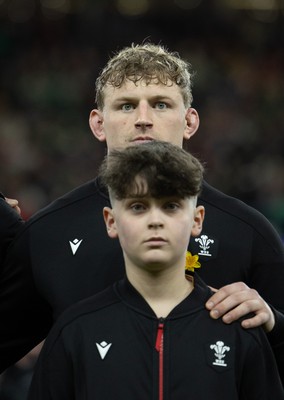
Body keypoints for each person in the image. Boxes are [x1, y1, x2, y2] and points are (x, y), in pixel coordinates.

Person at [1, 43, 284, 381]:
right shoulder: (48, 234)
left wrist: (274, 323)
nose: (143, 120)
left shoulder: (249, 233)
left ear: (190, 121)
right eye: (126, 106)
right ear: (98, 123)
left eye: (161, 105)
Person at [27, 141, 284, 399]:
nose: (155, 220)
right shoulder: (74, 332)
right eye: (138, 206)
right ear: (111, 221)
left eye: (170, 205)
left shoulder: (239, 330)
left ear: (197, 220)